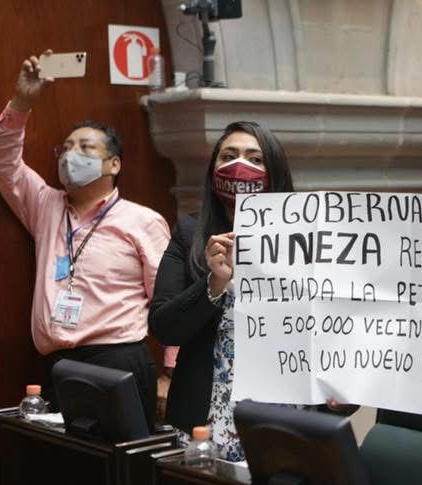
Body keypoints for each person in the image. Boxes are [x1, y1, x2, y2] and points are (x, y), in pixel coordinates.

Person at [149, 121, 355, 461]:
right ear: (213, 169)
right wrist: (213, 283)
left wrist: (343, 394)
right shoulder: (190, 232)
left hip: (289, 419)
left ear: (275, 171)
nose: (239, 165)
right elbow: (163, 327)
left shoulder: (314, 239)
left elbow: (344, 332)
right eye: (228, 156)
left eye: (255, 159)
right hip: (206, 417)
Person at [0, 51, 173, 428]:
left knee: (120, 463)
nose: (70, 155)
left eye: (85, 148)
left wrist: (171, 373)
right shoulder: (45, 205)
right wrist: (22, 103)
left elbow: (169, 302)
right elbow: (3, 161)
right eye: (66, 147)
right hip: (56, 365)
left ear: (114, 164)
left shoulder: (142, 221)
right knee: (64, 461)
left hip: (118, 362)